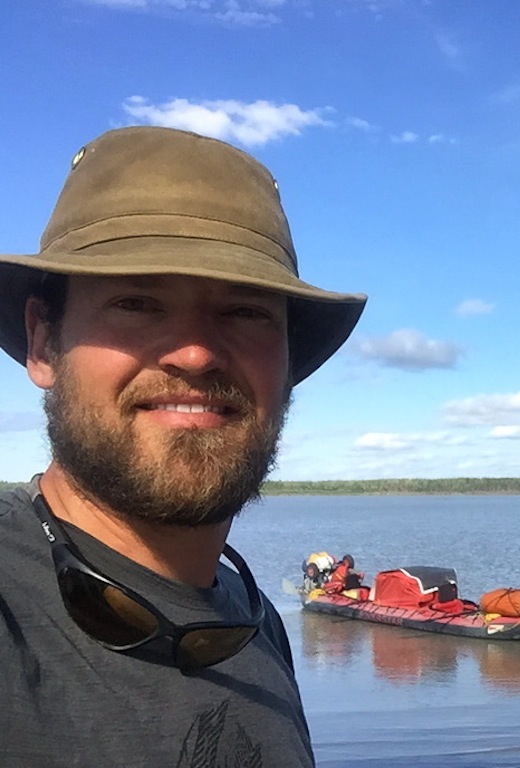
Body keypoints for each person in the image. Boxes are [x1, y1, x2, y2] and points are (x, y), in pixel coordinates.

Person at [0, 126, 367, 766]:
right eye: (136, 302)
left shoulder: (255, 625)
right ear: (42, 342)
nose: (195, 353)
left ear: (284, 361)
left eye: (246, 311)